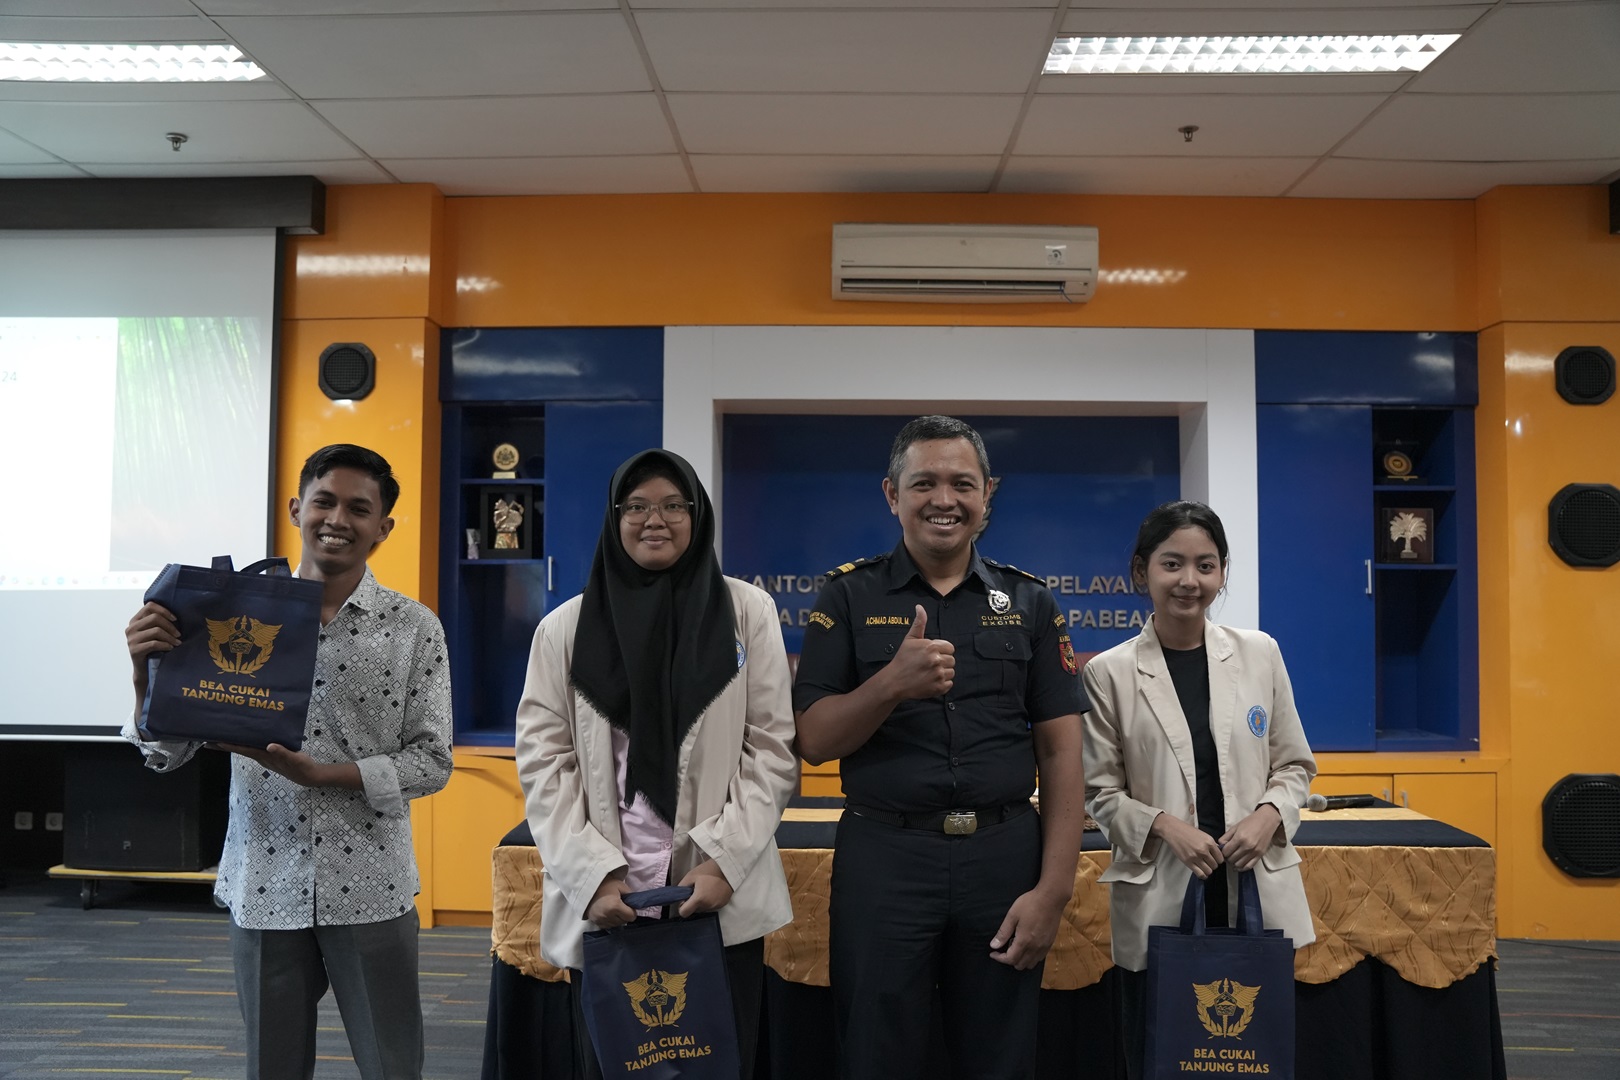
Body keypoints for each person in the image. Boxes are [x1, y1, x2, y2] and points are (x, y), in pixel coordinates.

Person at [121, 443, 454, 1080]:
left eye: (359, 509)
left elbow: (433, 761)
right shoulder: (225, 613)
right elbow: (168, 753)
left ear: (383, 528)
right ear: (297, 509)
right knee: (272, 1067)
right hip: (263, 881)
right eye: (324, 501)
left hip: (371, 885)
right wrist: (145, 677)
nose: (338, 519)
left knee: (393, 1066)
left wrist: (323, 776)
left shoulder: (414, 627)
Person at [793, 415, 1087, 1080]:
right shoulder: (847, 595)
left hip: (1003, 859)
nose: (943, 500)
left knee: (1000, 1057)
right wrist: (890, 685)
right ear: (892, 494)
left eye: (962, 483)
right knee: (876, 1052)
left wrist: (1054, 890)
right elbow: (813, 740)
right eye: (924, 483)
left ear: (988, 493)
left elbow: (1062, 753)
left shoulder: (1032, 602)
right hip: (885, 858)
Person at [513, 448, 798, 1079]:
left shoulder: (746, 613)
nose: (655, 519)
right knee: (615, 1065)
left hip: (712, 894)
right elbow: (544, 764)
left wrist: (724, 862)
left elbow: (772, 749)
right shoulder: (564, 630)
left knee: (718, 1064)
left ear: (698, 515)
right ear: (614, 518)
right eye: (636, 506)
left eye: (674, 505)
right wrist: (591, 877)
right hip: (609, 898)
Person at [1080, 501, 1316, 1080]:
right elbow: (1100, 793)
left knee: (1254, 1060)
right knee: (1162, 1057)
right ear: (1142, 571)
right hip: (1163, 888)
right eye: (1172, 564)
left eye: (1206, 566)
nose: (1190, 580)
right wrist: (1165, 826)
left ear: (1222, 573)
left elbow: (1294, 766)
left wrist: (1268, 815)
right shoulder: (1108, 673)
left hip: (1254, 886)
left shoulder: (1260, 653)